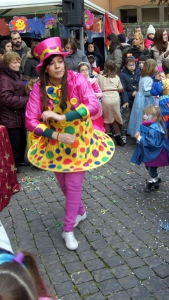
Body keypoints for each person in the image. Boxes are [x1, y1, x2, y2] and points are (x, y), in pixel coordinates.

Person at [25, 37, 114, 251]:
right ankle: (80, 212)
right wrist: (57, 136)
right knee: (64, 186)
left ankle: (68, 230)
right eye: (52, 63)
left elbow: (92, 105)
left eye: (60, 61)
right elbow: (30, 121)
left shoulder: (76, 79)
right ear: (45, 68)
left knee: (73, 186)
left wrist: (62, 118)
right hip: (55, 145)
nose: (58, 66)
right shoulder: (39, 89)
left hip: (80, 143)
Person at [131, 105, 169, 192]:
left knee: (151, 167)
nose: (144, 116)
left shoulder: (154, 129)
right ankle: (155, 177)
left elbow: (152, 143)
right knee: (149, 166)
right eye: (144, 114)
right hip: (152, 152)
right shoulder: (151, 126)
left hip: (155, 153)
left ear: (154, 117)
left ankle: (153, 181)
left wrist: (139, 138)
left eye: (147, 114)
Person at [0, 52, 30, 172]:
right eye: (14, 62)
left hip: (17, 115)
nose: (18, 64)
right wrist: (25, 100)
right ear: (7, 64)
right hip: (10, 117)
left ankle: (19, 161)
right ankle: (13, 165)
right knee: (14, 143)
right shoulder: (5, 78)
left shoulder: (13, 75)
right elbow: (5, 98)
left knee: (20, 140)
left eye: (18, 62)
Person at [97, 60, 125, 146]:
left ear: (105, 67)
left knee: (106, 118)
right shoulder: (116, 77)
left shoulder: (100, 76)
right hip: (115, 97)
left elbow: (97, 87)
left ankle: (107, 139)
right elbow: (121, 89)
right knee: (115, 117)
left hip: (105, 97)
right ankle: (118, 137)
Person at [127, 59, 157, 136]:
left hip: (139, 98)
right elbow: (146, 92)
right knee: (145, 115)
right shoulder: (148, 79)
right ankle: (144, 133)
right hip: (145, 99)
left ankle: (137, 132)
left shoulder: (143, 77)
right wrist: (154, 91)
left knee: (138, 115)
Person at [78, 62, 104, 132]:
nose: (85, 72)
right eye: (82, 70)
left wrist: (92, 94)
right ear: (79, 72)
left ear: (89, 70)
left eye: (86, 70)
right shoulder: (77, 83)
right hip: (82, 107)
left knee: (96, 129)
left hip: (93, 107)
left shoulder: (93, 81)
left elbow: (101, 94)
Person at [120, 56, 141, 143]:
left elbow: (142, 83)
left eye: (133, 64)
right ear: (126, 65)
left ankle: (134, 133)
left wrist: (137, 89)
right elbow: (123, 89)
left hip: (137, 99)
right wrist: (125, 101)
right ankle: (123, 134)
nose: (131, 66)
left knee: (136, 117)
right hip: (128, 98)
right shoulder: (123, 75)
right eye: (129, 65)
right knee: (126, 117)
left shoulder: (139, 73)